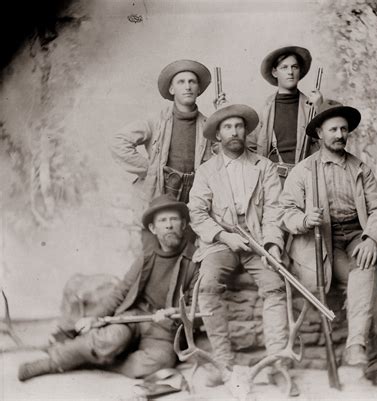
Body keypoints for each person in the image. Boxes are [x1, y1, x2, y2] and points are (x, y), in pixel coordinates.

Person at [18, 195, 199, 381]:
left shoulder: (196, 260)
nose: (169, 225)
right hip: (135, 318)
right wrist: (93, 317)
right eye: (163, 220)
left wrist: (175, 312)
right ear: (153, 229)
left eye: (174, 219)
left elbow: (199, 308)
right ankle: (51, 363)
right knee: (109, 339)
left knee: (159, 362)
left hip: (165, 331)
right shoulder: (146, 258)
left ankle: (90, 360)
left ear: (183, 224)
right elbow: (121, 291)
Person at [279, 99, 377, 366]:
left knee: (366, 263)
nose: (340, 135)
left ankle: (356, 347)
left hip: (356, 235)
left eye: (343, 129)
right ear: (319, 133)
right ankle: (368, 356)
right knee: (360, 277)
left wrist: (371, 239)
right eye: (333, 130)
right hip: (322, 243)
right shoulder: (304, 171)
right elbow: (286, 211)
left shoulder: (360, 168)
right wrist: (305, 220)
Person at [188, 104, 288, 384]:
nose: (234, 132)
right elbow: (197, 213)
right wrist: (223, 236)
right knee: (207, 285)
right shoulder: (206, 171)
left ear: (246, 131)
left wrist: (272, 245)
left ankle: (275, 363)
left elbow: (274, 210)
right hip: (221, 242)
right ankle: (223, 364)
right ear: (217, 135)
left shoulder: (264, 166)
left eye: (239, 126)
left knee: (276, 284)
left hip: (257, 239)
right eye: (227, 127)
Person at [110, 59, 214, 206]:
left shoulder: (208, 125)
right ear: (172, 90)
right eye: (181, 82)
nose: (188, 87)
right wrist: (152, 170)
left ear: (199, 89)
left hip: (194, 197)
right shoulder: (157, 121)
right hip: (159, 193)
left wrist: (222, 115)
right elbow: (119, 142)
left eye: (192, 82)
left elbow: (228, 156)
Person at [248, 46, 323, 180]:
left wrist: (319, 108)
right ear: (275, 72)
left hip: (303, 181)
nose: (290, 72)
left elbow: (326, 146)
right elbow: (250, 149)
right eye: (284, 67)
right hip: (271, 182)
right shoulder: (264, 109)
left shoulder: (311, 107)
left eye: (294, 67)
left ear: (299, 71)